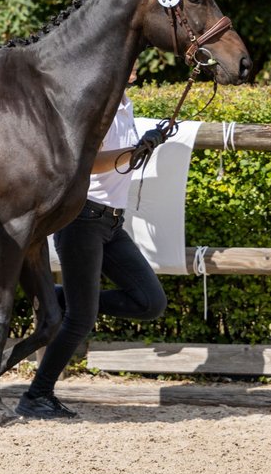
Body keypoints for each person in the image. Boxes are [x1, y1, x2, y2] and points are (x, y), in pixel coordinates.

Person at [16, 69, 168, 420]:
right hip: (82, 220)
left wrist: (147, 143)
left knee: (149, 302)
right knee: (81, 319)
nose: (133, 65)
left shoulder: (124, 105)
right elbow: (87, 164)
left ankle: (56, 295)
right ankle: (36, 396)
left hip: (112, 223)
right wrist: (135, 151)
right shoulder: (100, 107)